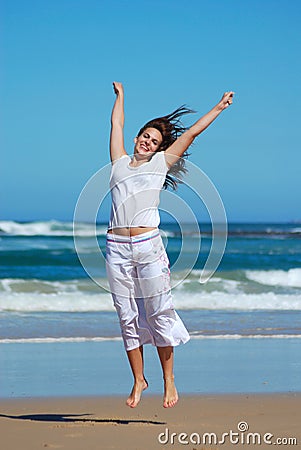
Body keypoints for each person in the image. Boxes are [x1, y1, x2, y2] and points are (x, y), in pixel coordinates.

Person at [106, 82, 234, 408]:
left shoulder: (160, 164)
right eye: (146, 136)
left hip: (148, 245)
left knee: (159, 312)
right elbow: (116, 124)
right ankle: (138, 380)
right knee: (127, 315)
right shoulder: (118, 162)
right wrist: (121, 97)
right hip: (117, 247)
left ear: (159, 148)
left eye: (156, 141)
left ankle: (169, 379)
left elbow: (190, 133)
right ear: (137, 138)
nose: (149, 142)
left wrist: (219, 107)